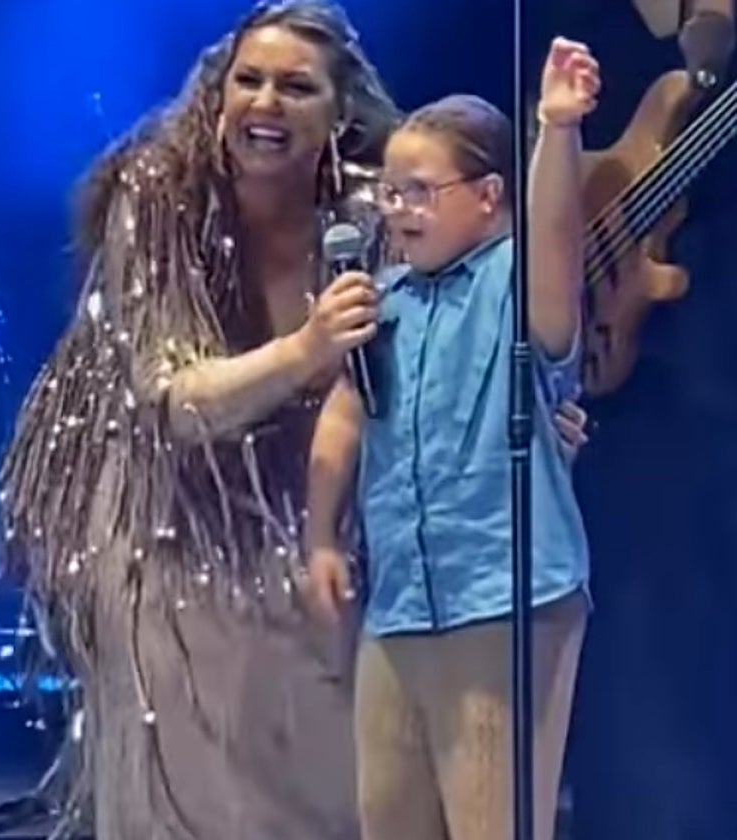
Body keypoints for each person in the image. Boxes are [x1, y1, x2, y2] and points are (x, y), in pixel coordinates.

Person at [0, 4, 588, 838]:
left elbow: (510, 324)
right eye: (251, 80)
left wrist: (527, 416)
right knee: (207, 671)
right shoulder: (160, 198)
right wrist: (308, 352)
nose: (267, 103)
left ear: (338, 111)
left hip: (383, 534)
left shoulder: (388, 215)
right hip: (182, 511)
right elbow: (172, 400)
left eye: (295, 87)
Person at [305, 38, 598, 840]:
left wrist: (559, 130)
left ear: (489, 196)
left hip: (505, 594)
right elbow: (345, 410)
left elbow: (555, 248)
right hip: (400, 604)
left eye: (421, 192)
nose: (397, 210)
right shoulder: (384, 298)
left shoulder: (512, 279)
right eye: (389, 193)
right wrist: (321, 537)